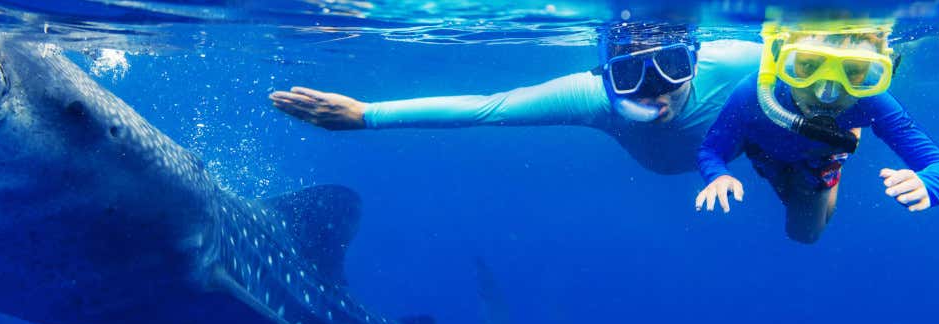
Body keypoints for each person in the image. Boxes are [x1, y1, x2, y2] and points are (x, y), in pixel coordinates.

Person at [269, 23, 761, 175]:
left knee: (805, 228)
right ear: (606, 75)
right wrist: (365, 115)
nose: (657, 91)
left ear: (695, 54)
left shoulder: (740, 60)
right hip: (698, 158)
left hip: (754, 140)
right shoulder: (590, 97)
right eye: (631, 74)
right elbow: (489, 107)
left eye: (673, 67)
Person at [693, 17, 939, 243]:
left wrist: (931, 184)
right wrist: (717, 175)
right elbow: (711, 149)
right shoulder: (753, 93)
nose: (827, 93)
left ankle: (830, 162)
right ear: (778, 60)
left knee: (804, 234)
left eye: (854, 70)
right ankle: (839, 146)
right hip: (766, 153)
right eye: (808, 65)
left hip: (816, 160)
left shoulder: (871, 100)